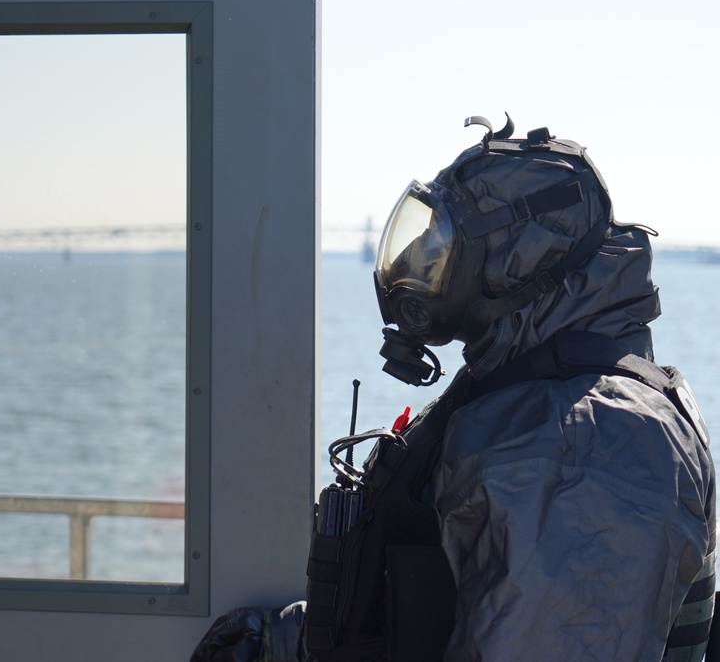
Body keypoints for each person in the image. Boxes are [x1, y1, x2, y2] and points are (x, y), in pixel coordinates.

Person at [191, 116, 716, 662]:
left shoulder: (581, 448)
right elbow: (448, 606)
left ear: (516, 268)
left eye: (438, 249)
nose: (418, 268)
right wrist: (286, 641)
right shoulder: (529, 395)